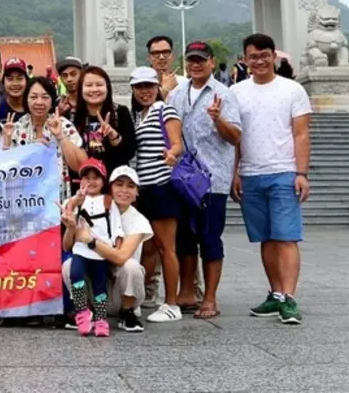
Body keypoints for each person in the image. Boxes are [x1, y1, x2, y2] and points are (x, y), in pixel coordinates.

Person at [231, 33, 311, 325]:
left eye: (265, 55)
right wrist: (236, 172)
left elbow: (301, 133)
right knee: (265, 238)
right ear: (245, 59)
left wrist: (301, 173)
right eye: (254, 56)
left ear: (273, 56)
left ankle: (289, 298)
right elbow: (236, 139)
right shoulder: (237, 92)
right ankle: (276, 295)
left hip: (284, 171)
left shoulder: (292, 90)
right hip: (251, 174)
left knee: (286, 236)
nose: (260, 61)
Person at [168, 42, 242, 320]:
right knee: (185, 237)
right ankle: (187, 292)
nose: (196, 64)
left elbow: (236, 137)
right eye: (191, 60)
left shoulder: (224, 94)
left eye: (201, 59)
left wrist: (218, 120)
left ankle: (210, 298)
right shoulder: (176, 94)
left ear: (212, 62)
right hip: (184, 178)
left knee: (210, 237)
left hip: (213, 179)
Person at [62, 165, 153, 333]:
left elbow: (120, 257)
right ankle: (86, 312)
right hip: (95, 287)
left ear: (137, 193)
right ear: (110, 187)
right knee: (70, 264)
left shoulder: (139, 220)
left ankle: (127, 312)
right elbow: (68, 246)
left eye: (131, 186)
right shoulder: (91, 207)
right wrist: (71, 225)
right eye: (119, 184)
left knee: (131, 266)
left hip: (120, 291)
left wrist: (90, 241)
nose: (124, 190)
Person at [129, 66, 185, 323]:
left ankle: (172, 303)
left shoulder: (165, 109)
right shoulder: (138, 115)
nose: (145, 91)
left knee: (166, 248)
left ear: (157, 88)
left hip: (163, 185)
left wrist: (172, 154)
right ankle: (145, 297)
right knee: (148, 247)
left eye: (149, 86)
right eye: (139, 87)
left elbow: (177, 143)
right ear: (133, 90)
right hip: (144, 189)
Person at [59, 159, 124, 337]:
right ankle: (82, 312)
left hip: (101, 251)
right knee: (76, 275)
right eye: (86, 178)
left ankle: (101, 320)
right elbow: (66, 210)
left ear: (104, 181)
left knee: (99, 285)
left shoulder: (109, 202)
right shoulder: (77, 200)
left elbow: (117, 229)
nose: (91, 181)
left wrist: (115, 251)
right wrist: (75, 202)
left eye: (96, 177)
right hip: (80, 249)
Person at [3, 76, 86, 202]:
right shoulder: (16, 128)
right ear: (26, 99)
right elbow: (6, 172)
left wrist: (60, 136)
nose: (39, 102)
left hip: (57, 203)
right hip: (25, 201)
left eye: (45, 97)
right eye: (33, 97)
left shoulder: (63, 124)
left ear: (52, 100)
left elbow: (80, 165)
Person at [72, 65, 136, 181]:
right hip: (83, 184)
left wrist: (113, 136)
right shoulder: (72, 117)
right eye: (88, 85)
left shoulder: (120, 112)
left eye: (99, 85)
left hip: (114, 184)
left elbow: (130, 152)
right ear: (80, 89)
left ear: (107, 87)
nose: (94, 89)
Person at [146, 35, 187, 101]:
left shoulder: (185, 83)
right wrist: (165, 89)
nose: (161, 57)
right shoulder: (143, 85)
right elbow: (145, 110)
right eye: (156, 53)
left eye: (165, 52)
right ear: (149, 58)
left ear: (172, 56)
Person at [0, 58, 29, 123]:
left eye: (20, 78)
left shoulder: (35, 108)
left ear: (26, 81)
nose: (15, 83)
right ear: (3, 82)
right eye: (10, 79)